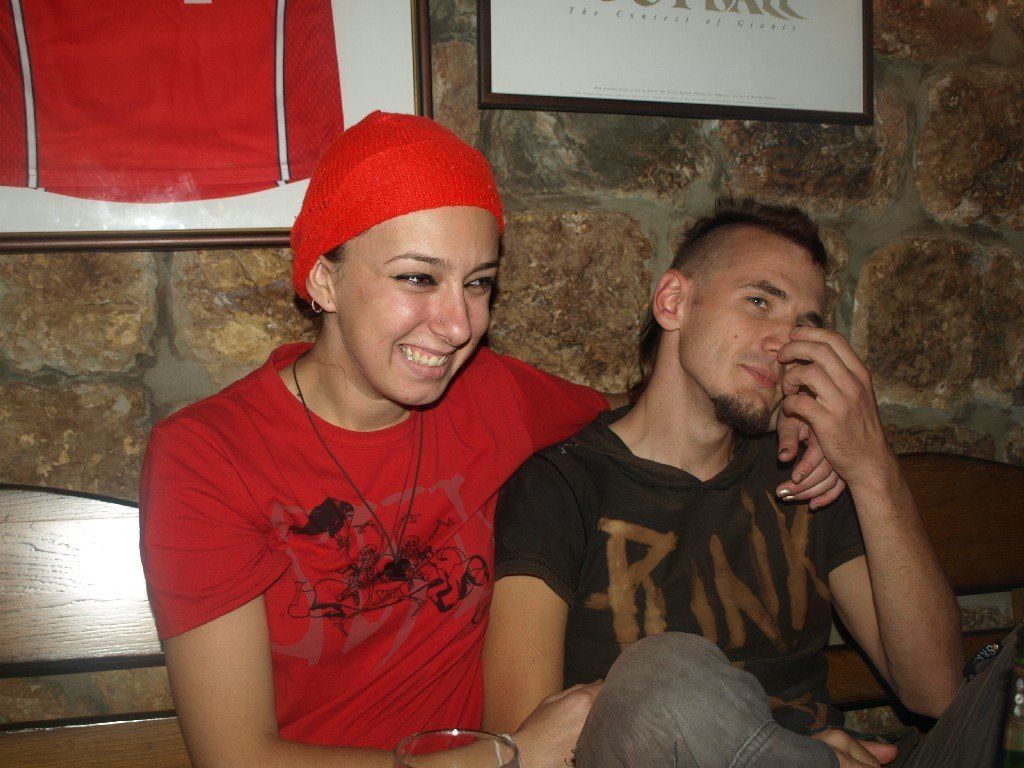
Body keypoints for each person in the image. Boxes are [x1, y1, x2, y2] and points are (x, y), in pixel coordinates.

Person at [139, 115, 839, 767]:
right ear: (324, 279)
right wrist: (509, 756)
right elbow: (234, 757)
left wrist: (790, 410)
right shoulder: (207, 457)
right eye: (418, 278)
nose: (457, 325)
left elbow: (646, 414)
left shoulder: (491, 394)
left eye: (478, 284)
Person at [483, 198, 1004, 768]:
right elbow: (523, 746)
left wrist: (873, 466)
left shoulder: (807, 472)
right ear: (673, 301)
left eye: (805, 327)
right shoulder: (559, 488)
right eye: (760, 301)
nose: (785, 344)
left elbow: (937, 692)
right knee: (662, 677)